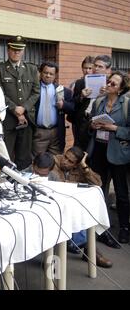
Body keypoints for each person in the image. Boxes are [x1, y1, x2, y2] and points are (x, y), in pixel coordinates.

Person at [46, 146, 113, 268]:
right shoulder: (52, 161)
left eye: (70, 161)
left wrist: (84, 166)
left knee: (84, 215)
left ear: (76, 164)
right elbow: (53, 184)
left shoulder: (79, 168)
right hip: (52, 206)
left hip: (70, 208)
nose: (65, 161)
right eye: (65, 157)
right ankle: (90, 250)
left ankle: (87, 249)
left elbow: (98, 183)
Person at [90, 71, 130, 244]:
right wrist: (93, 124)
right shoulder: (99, 101)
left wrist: (114, 129)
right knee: (99, 191)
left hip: (118, 153)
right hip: (99, 150)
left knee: (121, 193)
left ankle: (124, 228)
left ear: (120, 89)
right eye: (108, 81)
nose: (108, 85)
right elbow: (91, 122)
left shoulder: (127, 104)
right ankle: (100, 227)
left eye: (113, 84)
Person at [0, 35, 40, 170]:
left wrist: (24, 108)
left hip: (27, 119)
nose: (16, 53)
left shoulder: (31, 69)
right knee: (6, 155)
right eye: (13, 50)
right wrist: (15, 109)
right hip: (8, 119)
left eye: (19, 50)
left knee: (24, 157)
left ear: (23, 51)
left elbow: (36, 92)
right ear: (8, 50)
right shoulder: (0, 69)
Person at [71, 55, 112, 151]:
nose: (96, 69)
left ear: (108, 70)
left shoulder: (111, 84)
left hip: (100, 124)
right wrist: (81, 96)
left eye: (100, 67)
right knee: (78, 151)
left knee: (95, 152)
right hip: (82, 122)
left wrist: (107, 94)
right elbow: (73, 104)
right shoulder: (81, 82)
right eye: (95, 65)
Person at [33, 62, 74, 156]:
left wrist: (64, 105)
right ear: (40, 73)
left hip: (56, 133)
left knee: (56, 162)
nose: (48, 76)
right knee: (38, 161)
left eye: (51, 74)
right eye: (45, 72)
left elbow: (72, 107)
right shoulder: (34, 88)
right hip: (39, 132)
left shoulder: (62, 90)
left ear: (55, 75)